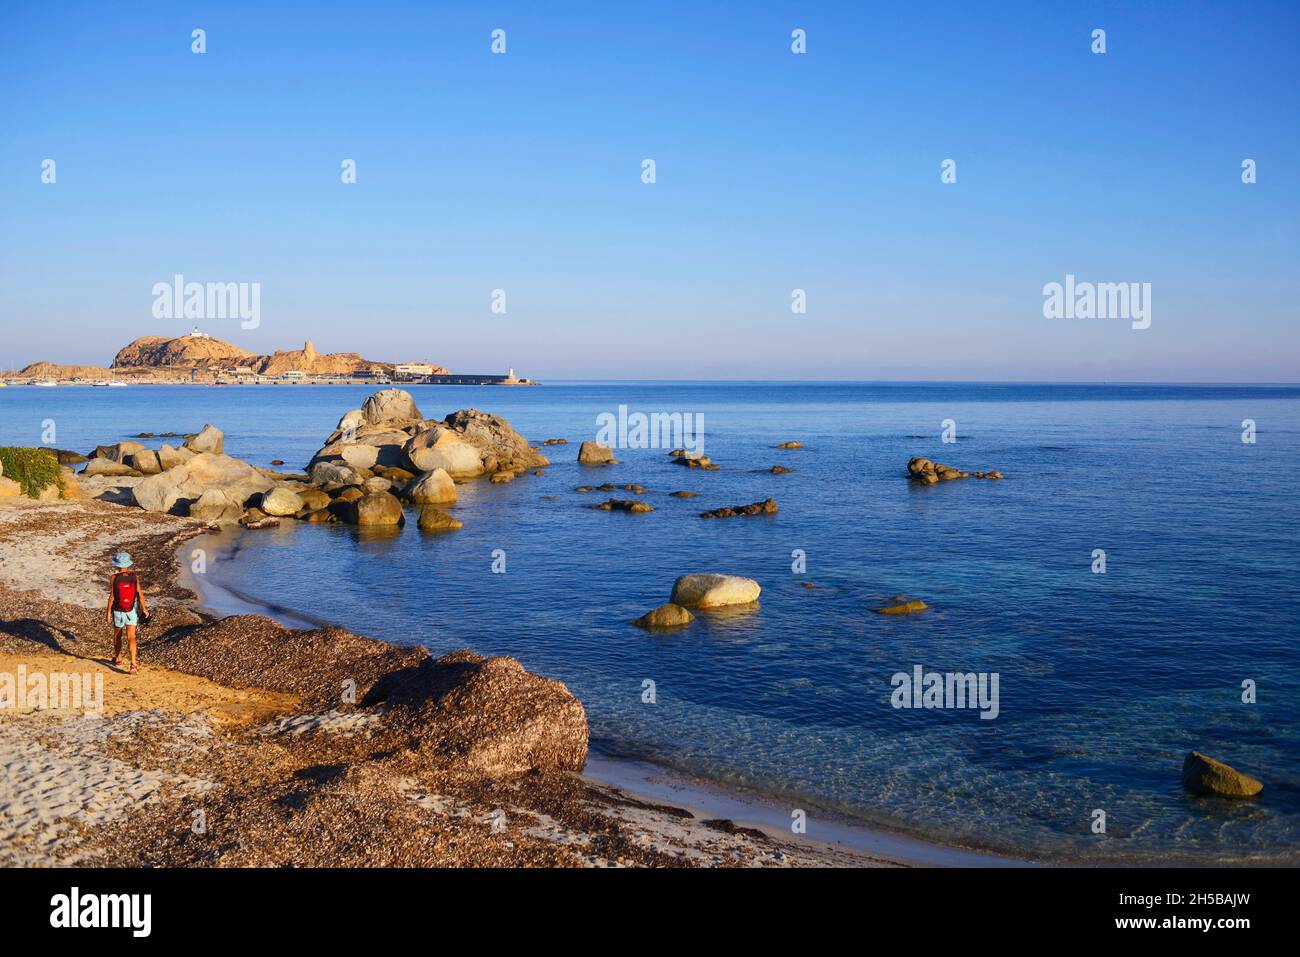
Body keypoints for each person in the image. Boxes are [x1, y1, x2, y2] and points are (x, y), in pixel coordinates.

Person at [106, 551, 149, 674]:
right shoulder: (134, 577)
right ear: (128, 564)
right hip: (131, 611)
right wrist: (144, 609)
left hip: (118, 611)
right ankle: (133, 665)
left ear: (117, 565)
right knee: (131, 637)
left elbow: (112, 597)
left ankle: (118, 660)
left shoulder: (114, 577)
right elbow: (140, 594)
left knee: (117, 635)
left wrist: (108, 613)